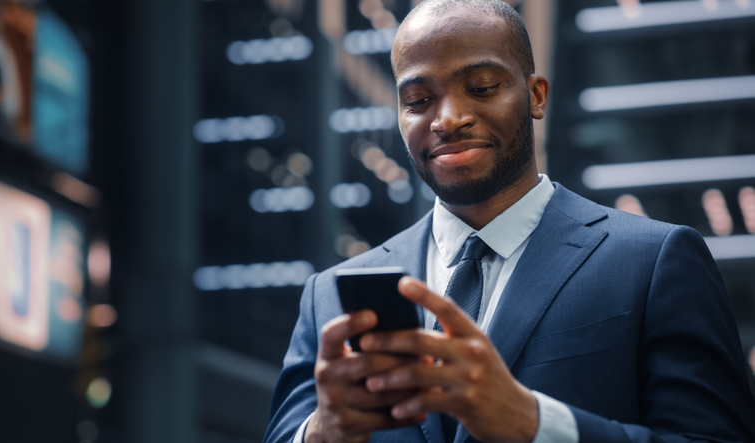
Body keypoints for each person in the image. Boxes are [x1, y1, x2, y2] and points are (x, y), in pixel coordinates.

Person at [263, 0, 755, 442]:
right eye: (417, 101)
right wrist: (321, 433)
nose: (447, 118)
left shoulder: (653, 262)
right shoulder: (329, 296)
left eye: (481, 87)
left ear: (536, 96)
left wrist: (534, 424)